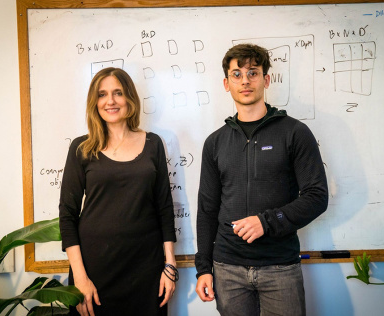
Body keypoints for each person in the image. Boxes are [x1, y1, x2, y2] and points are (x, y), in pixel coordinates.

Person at [195, 43, 328, 316]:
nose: (245, 81)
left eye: (253, 73)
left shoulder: (294, 133)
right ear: (226, 83)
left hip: (280, 268)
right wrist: (203, 269)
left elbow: (317, 196)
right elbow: (207, 209)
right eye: (237, 74)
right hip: (227, 269)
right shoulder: (215, 142)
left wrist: (266, 222)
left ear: (266, 79)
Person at [59, 67, 178, 316]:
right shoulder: (81, 148)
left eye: (118, 93)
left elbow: (164, 207)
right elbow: (68, 215)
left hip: (147, 270)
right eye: (102, 95)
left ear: (130, 99)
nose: (110, 101)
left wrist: (170, 265)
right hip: (94, 271)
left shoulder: (153, 143)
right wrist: (80, 278)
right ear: (95, 102)